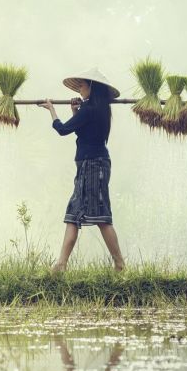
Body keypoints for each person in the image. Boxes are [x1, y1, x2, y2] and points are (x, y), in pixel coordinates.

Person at [38, 67, 126, 272]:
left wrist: (51, 109)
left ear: (92, 87)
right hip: (91, 164)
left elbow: (62, 129)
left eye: (82, 85)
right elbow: (85, 131)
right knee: (73, 214)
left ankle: (120, 264)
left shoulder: (90, 109)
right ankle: (61, 264)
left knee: (101, 216)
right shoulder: (98, 109)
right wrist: (75, 111)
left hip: (93, 165)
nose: (79, 89)